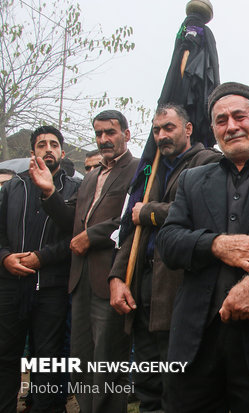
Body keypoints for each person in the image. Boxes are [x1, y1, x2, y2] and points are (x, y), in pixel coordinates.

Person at [156, 82, 249, 412]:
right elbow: (168, 242)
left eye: (239, 116)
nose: (231, 126)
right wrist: (216, 244)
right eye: (221, 120)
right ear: (213, 130)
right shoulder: (193, 180)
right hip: (195, 345)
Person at [108, 103, 221, 412]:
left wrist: (149, 211)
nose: (161, 136)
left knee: (179, 387)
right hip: (142, 290)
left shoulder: (208, 162)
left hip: (179, 290)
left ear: (188, 129)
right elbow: (131, 229)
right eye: (156, 130)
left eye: (169, 128)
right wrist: (117, 277)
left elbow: (202, 213)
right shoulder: (153, 169)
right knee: (149, 386)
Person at [35, 110, 140, 413]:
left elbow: (131, 219)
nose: (104, 139)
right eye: (98, 134)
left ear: (126, 134)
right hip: (79, 280)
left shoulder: (138, 170)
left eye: (110, 132)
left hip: (112, 278)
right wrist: (49, 192)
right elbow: (71, 221)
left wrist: (91, 236)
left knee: (108, 363)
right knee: (81, 362)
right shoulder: (92, 176)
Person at [0, 126, 80, 413]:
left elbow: (74, 236)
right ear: (32, 151)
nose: (48, 148)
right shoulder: (13, 187)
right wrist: (5, 257)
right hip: (10, 285)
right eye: (41, 144)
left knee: (47, 359)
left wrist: (41, 258)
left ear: (61, 151)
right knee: (6, 355)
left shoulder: (74, 189)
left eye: (54, 144)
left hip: (51, 288)